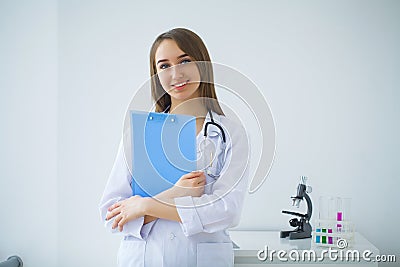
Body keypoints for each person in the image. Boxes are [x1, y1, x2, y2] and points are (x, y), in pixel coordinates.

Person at [99, 28, 250, 267]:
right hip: (144, 258)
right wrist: (176, 193)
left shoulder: (230, 134)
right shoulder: (139, 134)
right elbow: (112, 215)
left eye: (185, 61)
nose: (176, 73)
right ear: (156, 75)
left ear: (202, 63)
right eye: (164, 66)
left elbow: (226, 210)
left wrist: (145, 205)